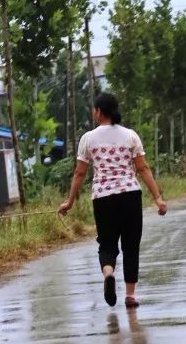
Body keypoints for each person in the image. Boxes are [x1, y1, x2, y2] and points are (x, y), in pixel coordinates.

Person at [58, 93, 167, 308]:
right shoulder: (130, 136)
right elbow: (142, 168)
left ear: (99, 111)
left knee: (107, 243)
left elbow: (79, 173)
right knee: (131, 245)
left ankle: (108, 273)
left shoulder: (88, 138)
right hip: (130, 195)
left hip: (103, 198)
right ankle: (130, 295)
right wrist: (158, 198)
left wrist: (69, 202)